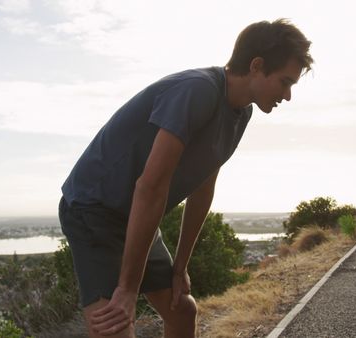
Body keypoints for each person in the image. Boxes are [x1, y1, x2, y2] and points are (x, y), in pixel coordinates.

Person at [58, 19, 313, 338]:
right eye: (284, 82)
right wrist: (127, 289)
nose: (287, 95)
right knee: (115, 326)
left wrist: (180, 267)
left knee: (183, 309)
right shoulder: (198, 90)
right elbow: (150, 186)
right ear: (256, 66)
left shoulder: (241, 112)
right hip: (94, 209)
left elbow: (204, 186)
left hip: (135, 214)